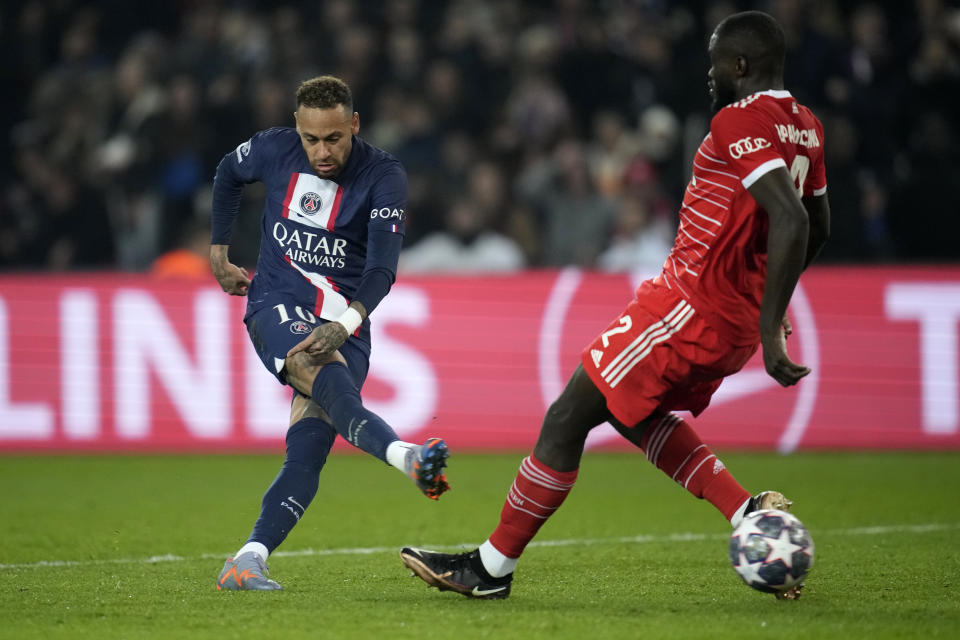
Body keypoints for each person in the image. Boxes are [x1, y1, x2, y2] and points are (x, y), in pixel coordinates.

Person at [400, 11, 829, 601]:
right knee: (628, 410)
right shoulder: (805, 125)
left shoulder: (738, 119)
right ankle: (745, 508)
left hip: (692, 305)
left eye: (714, 65)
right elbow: (817, 224)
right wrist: (770, 298)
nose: (709, 77)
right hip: (717, 312)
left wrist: (770, 323)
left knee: (568, 414)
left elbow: (792, 217)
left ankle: (488, 570)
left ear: (739, 66)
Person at [210, 75, 450, 591]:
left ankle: (246, 560)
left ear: (354, 125)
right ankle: (406, 457)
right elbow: (228, 172)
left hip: (346, 320)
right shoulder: (273, 149)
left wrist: (345, 325)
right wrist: (218, 250)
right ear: (297, 127)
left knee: (310, 448)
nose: (322, 151)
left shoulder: (384, 176)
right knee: (319, 371)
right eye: (312, 139)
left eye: (334, 139)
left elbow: (382, 272)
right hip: (275, 301)